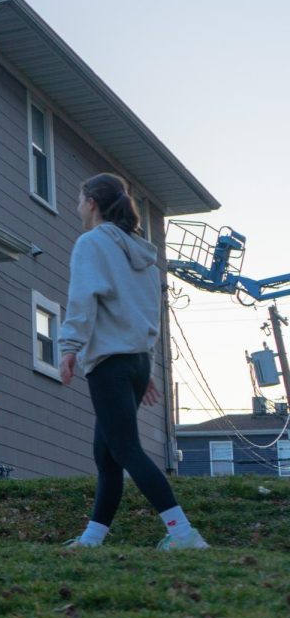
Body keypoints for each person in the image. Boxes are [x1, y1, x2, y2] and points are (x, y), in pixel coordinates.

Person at [59, 172, 208, 550]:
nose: (77, 207)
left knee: (125, 449)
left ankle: (182, 533)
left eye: (79, 199)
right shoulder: (141, 253)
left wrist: (68, 347)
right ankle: (93, 538)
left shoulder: (91, 244)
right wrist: (148, 366)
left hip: (110, 360)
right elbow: (147, 312)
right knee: (106, 453)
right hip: (136, 361)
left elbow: (82, 300)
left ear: (91, 202)